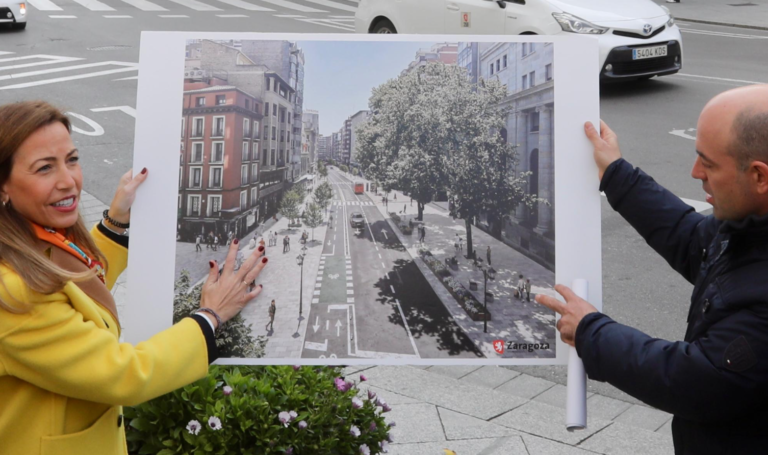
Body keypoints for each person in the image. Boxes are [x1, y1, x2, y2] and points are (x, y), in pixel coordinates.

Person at [0, 101, 269, 454]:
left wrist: (116, 219)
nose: (68, 181)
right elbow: (126, 374)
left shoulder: (27, 235)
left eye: (72, 160)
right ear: (4, 186)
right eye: (44, 168)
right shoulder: (14, 293)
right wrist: (210, 315)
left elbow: (73, 287)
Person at [536, 85, 768, 454]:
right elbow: (693, 239)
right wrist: (615, 172)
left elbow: (698, 380)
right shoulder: (751, 222)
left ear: (759, 176)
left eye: (708, 163)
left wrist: (591, 332)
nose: (695, 173)